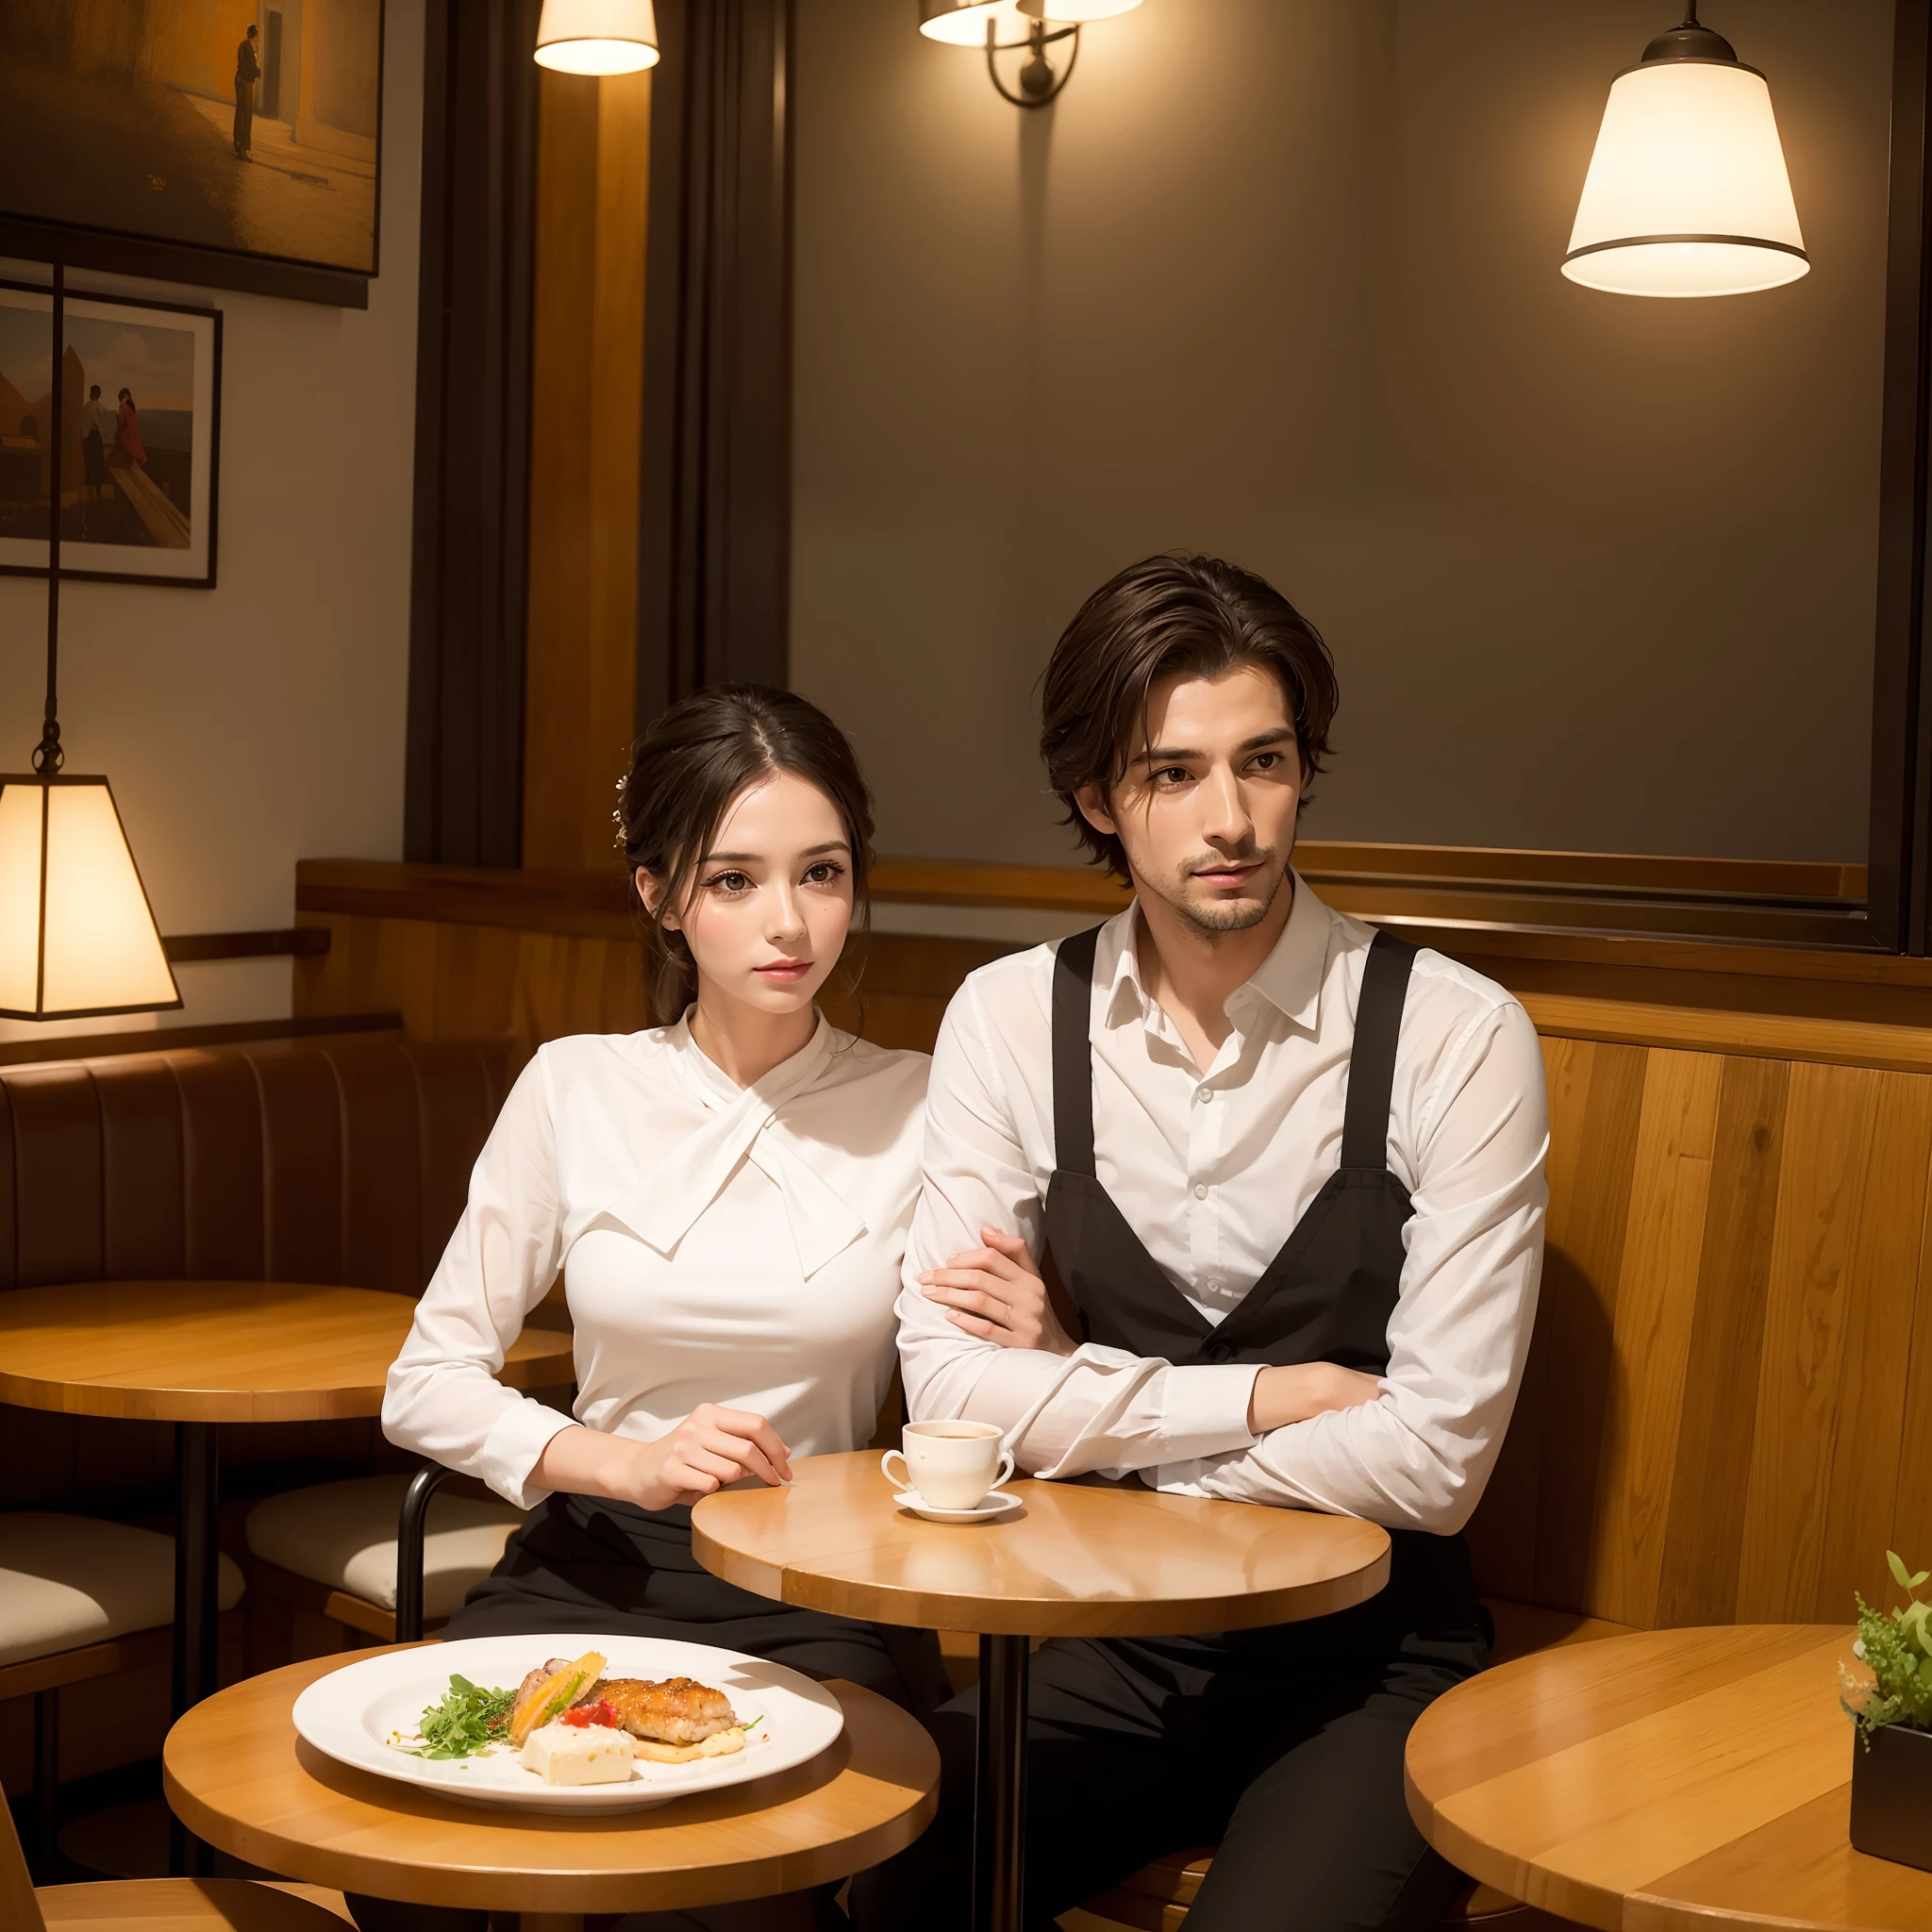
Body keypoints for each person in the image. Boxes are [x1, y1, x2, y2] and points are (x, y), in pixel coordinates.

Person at [849, 554, 1549, 1932]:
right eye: (1173, 774)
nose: (1230, 820)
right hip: (1096, 1637)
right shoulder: (1007, 1018)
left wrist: (1078, 1393)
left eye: (1265, 763)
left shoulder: (1457, 1035)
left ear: (1304, 771)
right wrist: (1273, 1400)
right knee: (884, 1896)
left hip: (1370, 1660)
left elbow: (1435, 1461)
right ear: (1097, 797)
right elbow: (947, 1396)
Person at [371, 685, 944, 1932]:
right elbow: (425, 1383)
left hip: (823, 1595)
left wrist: (1035, 1329)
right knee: (416, 1878)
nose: (788, 922)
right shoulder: (574, 1087)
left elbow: (987, 1386)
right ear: (658, 893)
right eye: (734, 879)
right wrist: (626, 1463)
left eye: (823, 873)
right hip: (597, 1564)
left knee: (734, 1900)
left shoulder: (929, 1104)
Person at [235, 25, 260, 158]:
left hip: (248, 82)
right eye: (257, 36)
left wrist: (257, 73)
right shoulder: (244, 46)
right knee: (242, 113)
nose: (258, 39)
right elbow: (244, 66)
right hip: (243, 82)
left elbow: (255, 65)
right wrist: (255, 73)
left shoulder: (253, 48)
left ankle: (243, 147)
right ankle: (240, 147)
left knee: (247, 114)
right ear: (253, 35)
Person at [78, 384, 108, 502]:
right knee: (98, 465)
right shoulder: (96, 406)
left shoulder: (86, 406)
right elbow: (97, 422)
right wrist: (104, 434)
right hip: (94, 436)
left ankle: (88, 494)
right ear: (98, 393)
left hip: (86, 438)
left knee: (88, 465)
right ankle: (97, 494)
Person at [108, 388, 145, 471]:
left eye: (126, 397)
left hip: (127, 435)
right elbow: (122, 423)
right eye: (123, 397)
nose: (125, 399)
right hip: (127, 435)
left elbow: (123, 423)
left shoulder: (125, 407)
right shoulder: (127, 408)